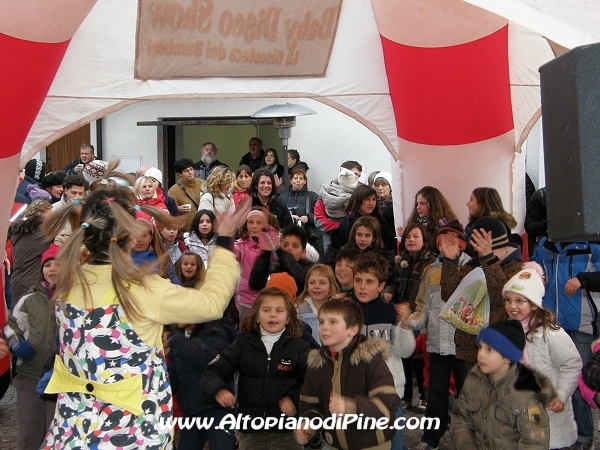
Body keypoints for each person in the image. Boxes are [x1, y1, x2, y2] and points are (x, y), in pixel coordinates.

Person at [39, 186, 250, 449]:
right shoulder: (144, 290)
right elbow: (212, 303)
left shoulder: (69, 283)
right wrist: (224, 241)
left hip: (73, 431)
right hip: (132, 433)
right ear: (130, 236)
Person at [202, 287, 310, 450]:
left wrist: (295, 400)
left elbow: (314, 381)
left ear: (288, 318)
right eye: (266, 310)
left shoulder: (299, 347)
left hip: (289, 432)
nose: (272, 315)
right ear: (257, 316)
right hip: (252, 433)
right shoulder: (243, 344)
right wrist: (218, 389)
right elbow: (214, 371)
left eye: (279, 310)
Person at [295, 299, 400, 450]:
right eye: (322, 322)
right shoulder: (317, 364)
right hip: (334, 445)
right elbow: (310, 405)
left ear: (352, 330)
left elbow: (386, 406)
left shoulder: (370, 361)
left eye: (333, 322)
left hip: (372, 446)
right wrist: (308, 425)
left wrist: (350, 408)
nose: (324, 327)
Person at [498, 268, 581, 449]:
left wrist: (561, 395)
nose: (512, 306)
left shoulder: (551, 334)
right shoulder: (504, 332)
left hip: (549, 410)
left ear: (534, 304)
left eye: (519, 301)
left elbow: (572, 365)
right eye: (509, 300)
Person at [408, 222, 472, 450]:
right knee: (435, 393)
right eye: (442, 242)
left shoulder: (472, 270)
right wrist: (409, 323)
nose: (447, 246)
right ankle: (431, 438)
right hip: (436, 344)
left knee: (468, 392)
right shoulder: (431, 271)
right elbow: (422, 305)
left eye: (452, 242)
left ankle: (470, 437)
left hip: (464, 346)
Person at [533, 236, 600, 450]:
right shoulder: (546, 244)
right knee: (554, 381)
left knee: (581, 384)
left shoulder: (593, 243)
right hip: (551, 324)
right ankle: (563, 435)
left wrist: (583, 279)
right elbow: (534, 264)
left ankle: (583, 436)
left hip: (582, 325)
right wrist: (536, 273)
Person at [451, 320, 552, 450]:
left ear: (508, 357)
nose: (481, 354)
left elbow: (535, 444)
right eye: (480, 347)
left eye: (489, 350)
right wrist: (466, 446)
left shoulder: (525, 396)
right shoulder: (473, 381)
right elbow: (461, 419)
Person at [439, 216, 523, 367]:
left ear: (504, 246)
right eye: (479, 250)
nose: (481, 254)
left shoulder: (516, 269)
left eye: (489, 249)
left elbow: (501, 298)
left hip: (499, 351)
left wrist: (488, 259)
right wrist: (450, 261)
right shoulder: (474, 265)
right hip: (470, 349)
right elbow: (449, 295)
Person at [352, 252, 415, 450]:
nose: (362, 286)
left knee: (394, 445)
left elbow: (406, 351)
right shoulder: (346, 312)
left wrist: (404, 324)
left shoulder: (391, 312)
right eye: (358, 280)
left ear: (381, 286)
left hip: (389, 392)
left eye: (369, 281)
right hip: (355, 393)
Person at [4, 244, 59, 450]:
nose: (52, 269)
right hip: (29, 377)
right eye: (47, 265)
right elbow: (11, 327)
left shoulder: (73, 298)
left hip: (60, 379)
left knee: (55, 435)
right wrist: (18, 346)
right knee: (29, 434)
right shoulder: (29, 299)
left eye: (57, 264)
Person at [167, 298, 238, 450]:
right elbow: (171, 379)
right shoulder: (179, 337)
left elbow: (208, 360)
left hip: (217, 408)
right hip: (191, 410)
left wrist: (176, 340)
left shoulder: (218, 330)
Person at [234, 208, 280, 318]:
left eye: (259, 223)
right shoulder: (239, 246)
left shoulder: (273, 244)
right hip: (245, 295)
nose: (254, 226)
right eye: (250, 222)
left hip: (267, 293)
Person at [9, 200, 52, 303]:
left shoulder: (21, 232)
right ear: (39, 213)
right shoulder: (38, 234)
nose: (52, 216)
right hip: (31, 282)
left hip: (19, 280)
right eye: (49, 213)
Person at [315, 161, 362, 254]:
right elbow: (318, 219)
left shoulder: (361, 194)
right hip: (330, 236)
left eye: (359, 176)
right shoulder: (325, 193)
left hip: (354, 237)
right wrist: (340, 227)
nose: (357, 178)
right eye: (355, 174)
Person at [276, 166, 323, 255]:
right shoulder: (282, 198)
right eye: (295, 178)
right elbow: (277, 218)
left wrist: (308, 217)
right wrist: (289, 216)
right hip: (287, 239)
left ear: (305, 181)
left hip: (309, 239)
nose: (298, 180)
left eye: (301, 178)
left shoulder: (313, 197)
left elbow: (321, 217)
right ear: (291, 180)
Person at [465, 187, 519, 257]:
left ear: (482, 203)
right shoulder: (474, 224)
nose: (468, 203)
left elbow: (475, 255)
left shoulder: (489, 227)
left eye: (471, 199)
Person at [296, 264, 339, 344]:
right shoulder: (298, 311)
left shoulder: (339, 309)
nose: (316, 286)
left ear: (330, 286)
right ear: (307, 287)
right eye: (312, 283)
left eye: (322, 283)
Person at [130, 216, 180, 284]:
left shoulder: (161, 259)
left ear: (151, 238)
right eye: (135, 234)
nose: (139, 239)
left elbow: (175, 284)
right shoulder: (122, 258)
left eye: (143, 235)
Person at [168, 158, 205, 230]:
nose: (190, 172)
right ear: (179, 174)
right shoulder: (173, 191)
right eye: (186, 171)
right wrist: (178, 209)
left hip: (204, 228)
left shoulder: (203, 184)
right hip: (187, 230)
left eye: (191, 169)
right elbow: (171, 212)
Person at [524, 186, 547, 257]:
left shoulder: (578, 196)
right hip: (545, 247)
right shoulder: (540, 196)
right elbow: (529, 227)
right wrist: (550, 222)